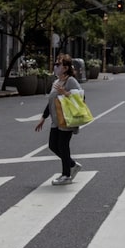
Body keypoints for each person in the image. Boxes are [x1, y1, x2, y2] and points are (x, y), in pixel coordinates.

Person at [35, 54, 84, 185]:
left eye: (58, 64)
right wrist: (43, 117)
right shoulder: (56, 82)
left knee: (63, 145)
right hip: (56, 119)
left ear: (66, 68)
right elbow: (51, 101)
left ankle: (66, 175)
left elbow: (81, 98)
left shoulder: (71, 81)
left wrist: (66, 93)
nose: (55, 66)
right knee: (52, 145)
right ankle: (72, 165)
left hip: (67, 119)